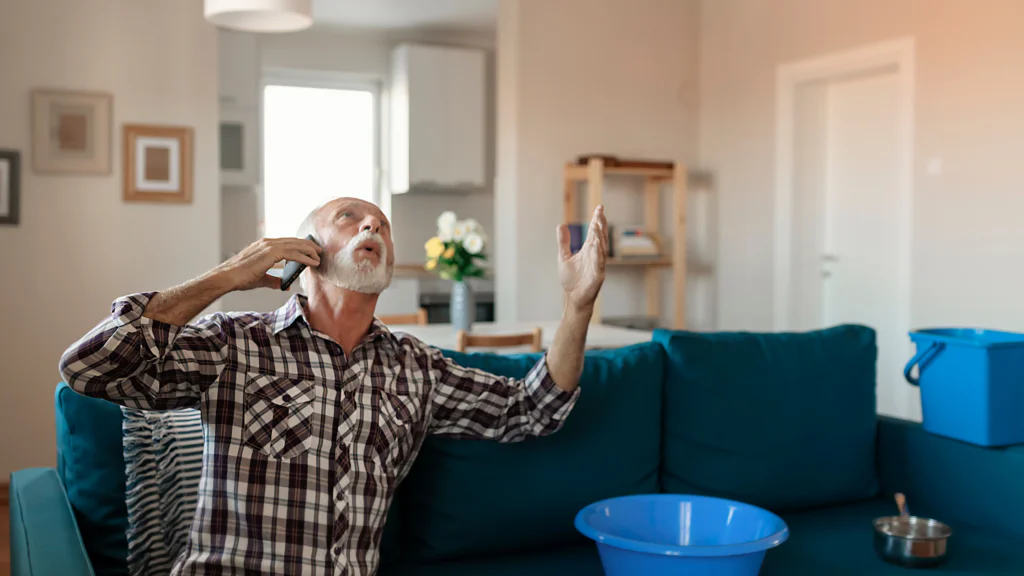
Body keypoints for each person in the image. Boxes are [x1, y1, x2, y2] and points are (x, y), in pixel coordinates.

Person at [59, 197, 610, 576]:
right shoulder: (236, 343)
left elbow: (534, 409)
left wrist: (577, 304)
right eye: (351, 218)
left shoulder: (417, 367)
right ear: (306, 249)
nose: (373, 227)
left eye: (382, 225)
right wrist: (227, 276)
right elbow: (88, 369)